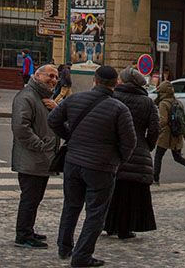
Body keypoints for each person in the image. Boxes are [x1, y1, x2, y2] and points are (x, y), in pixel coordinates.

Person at [48, 64, 136, 267]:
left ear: (94, 81)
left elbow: (53, 120)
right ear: (115, 84)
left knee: (70, 206)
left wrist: (69, 135)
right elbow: (129, 142)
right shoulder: (119, 109)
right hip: (102, 166)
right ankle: (82, 256)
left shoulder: (74, 98)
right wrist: (119, 159)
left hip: (73, 161)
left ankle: (64, 247)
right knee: (95, 213)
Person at [103, 67, 159, 240]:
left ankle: (109, 225)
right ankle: (126, 228)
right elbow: (155, 129)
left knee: (113, 191)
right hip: (139, 149)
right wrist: (146, 146)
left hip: (114, 150)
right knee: (132, 193)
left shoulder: (113, 97)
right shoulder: (147, 102)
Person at [11, 63, 60, 248]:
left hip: (42, 159)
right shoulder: (27, 97)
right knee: (30, 199)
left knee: (35, 198)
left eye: (56, 77)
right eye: (50, 76)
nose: (53, 80)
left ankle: (28, 230)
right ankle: (23, 235)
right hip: (32, 157)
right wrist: (40, 146)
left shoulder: (44, 98)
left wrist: (56, 108)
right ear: (37, 76)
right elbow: (20, 128)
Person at [153, 80, 185, 187]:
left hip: (165, 136)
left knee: (158, 156)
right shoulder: (178, 102)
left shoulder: (163, 104)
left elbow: (163, 121)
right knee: (178, 158)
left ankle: (155, 179)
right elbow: (183, 120)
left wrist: (156, 131)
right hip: (177, 135)